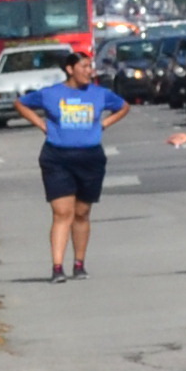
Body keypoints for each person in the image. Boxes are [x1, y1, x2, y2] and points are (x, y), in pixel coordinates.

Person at [30, 57, 123, 279]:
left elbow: (122, 107)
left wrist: (103, 124)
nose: (89, 71)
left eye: (90, 67)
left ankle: (79, 263)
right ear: (70, 69)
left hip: (90, 158)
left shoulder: (98, 93)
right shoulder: (51, 93)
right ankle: (57, 267)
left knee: (82, 212)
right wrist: (42, 124)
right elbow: (22, 103)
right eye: (84, 67)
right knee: (62, 212)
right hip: (57, 157)